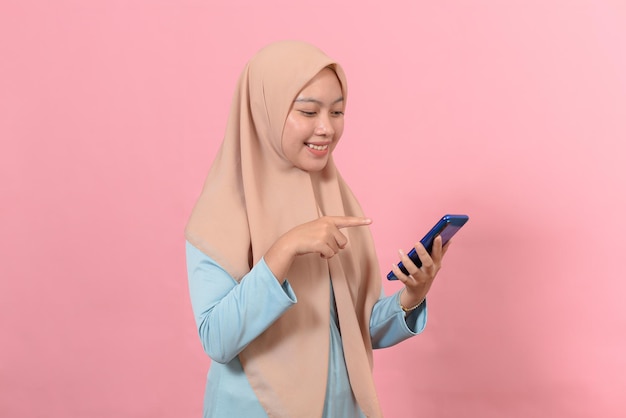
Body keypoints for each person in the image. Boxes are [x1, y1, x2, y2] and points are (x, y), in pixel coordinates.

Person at [185, 40, 449, 418]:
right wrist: (284, 249)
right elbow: (217, 339)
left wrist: (411, 297)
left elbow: (355, 332)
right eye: (308, 111)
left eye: (337, 111)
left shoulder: (334, 198)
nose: (326, 128)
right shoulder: (219, 215)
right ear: (266, 111)